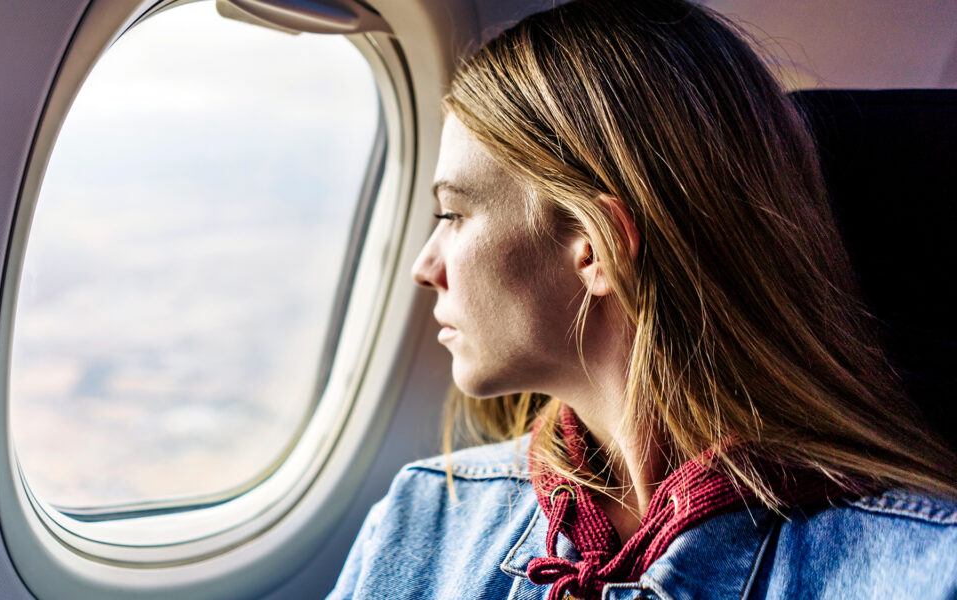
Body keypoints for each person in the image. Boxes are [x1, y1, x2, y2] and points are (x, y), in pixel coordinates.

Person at [326, 1, 957, 598]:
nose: (423, 267)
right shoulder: (420, 519)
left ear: (595, 247)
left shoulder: (928, 569)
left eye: (453, 213)